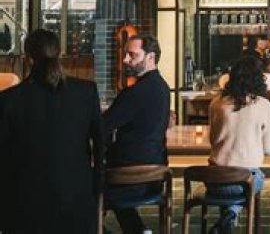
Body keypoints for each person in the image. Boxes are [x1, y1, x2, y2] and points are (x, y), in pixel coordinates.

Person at [0, 29, 103, 233]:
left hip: (23, 207)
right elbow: (100, 146)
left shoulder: (9, 99)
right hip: (76, 202)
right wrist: (96, 189)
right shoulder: (86, 92)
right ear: (59, 54)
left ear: (28, 59)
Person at [102, 34, 170, 233]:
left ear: (151, 57)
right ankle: (137, 230)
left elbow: (102, 126)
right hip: (154, 173)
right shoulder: (163, 88)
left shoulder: (135, 92)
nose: (125, 60)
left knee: (79, 190)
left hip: (127, 177)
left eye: (132, 55)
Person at [206, 55, 270, 233]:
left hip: (214, 180)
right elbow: (269, 147)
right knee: (257, 177)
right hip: (244, 181)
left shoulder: (216, 103)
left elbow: (213, 140)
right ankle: (231, 213)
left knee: (233, 180)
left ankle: (227, 220)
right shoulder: (263, 105)